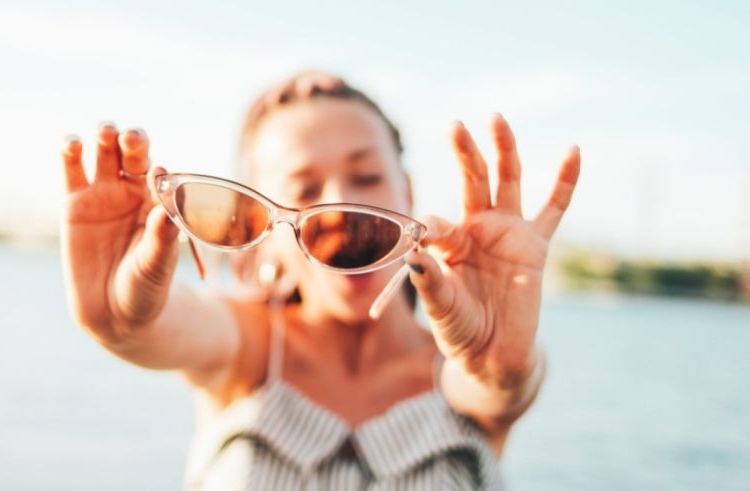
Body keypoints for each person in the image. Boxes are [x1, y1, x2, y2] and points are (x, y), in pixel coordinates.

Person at [59, 70, 581, 490]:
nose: (336, 206)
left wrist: (501, 367)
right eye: (304, 187)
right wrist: (119, 322)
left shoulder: (460, 371)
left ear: (408, 193)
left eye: (366, 176)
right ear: (264, 233)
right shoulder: (247, 348)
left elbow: (499, 385)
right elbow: (164, 328)